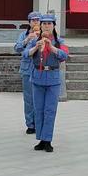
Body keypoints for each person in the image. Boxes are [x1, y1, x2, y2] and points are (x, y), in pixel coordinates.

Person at [24, 14, 67, 152]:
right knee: (39, 109)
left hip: (53, 78)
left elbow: (64, 55)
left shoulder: (59, 41)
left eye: (49, 24)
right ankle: (41, 139)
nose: (46, 26)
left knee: (50, 110)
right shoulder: (35, 40)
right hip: (38, 77)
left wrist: (52, 47)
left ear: (54, 26)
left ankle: (47, 139)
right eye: (44, 24)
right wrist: (36, 47)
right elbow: (25, 54)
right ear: (40, 26)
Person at [14, 11, 41, 134]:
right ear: (29, 22)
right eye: (33, 20)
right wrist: (27, 40)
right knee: (29, 99)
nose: (35, 22)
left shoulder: (44, 35)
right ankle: (30, 124)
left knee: (39, 98)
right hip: (27, 70)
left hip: (40, 69)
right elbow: (17, 48)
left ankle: (40, 122)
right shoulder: (23, 35)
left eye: (37, 20)